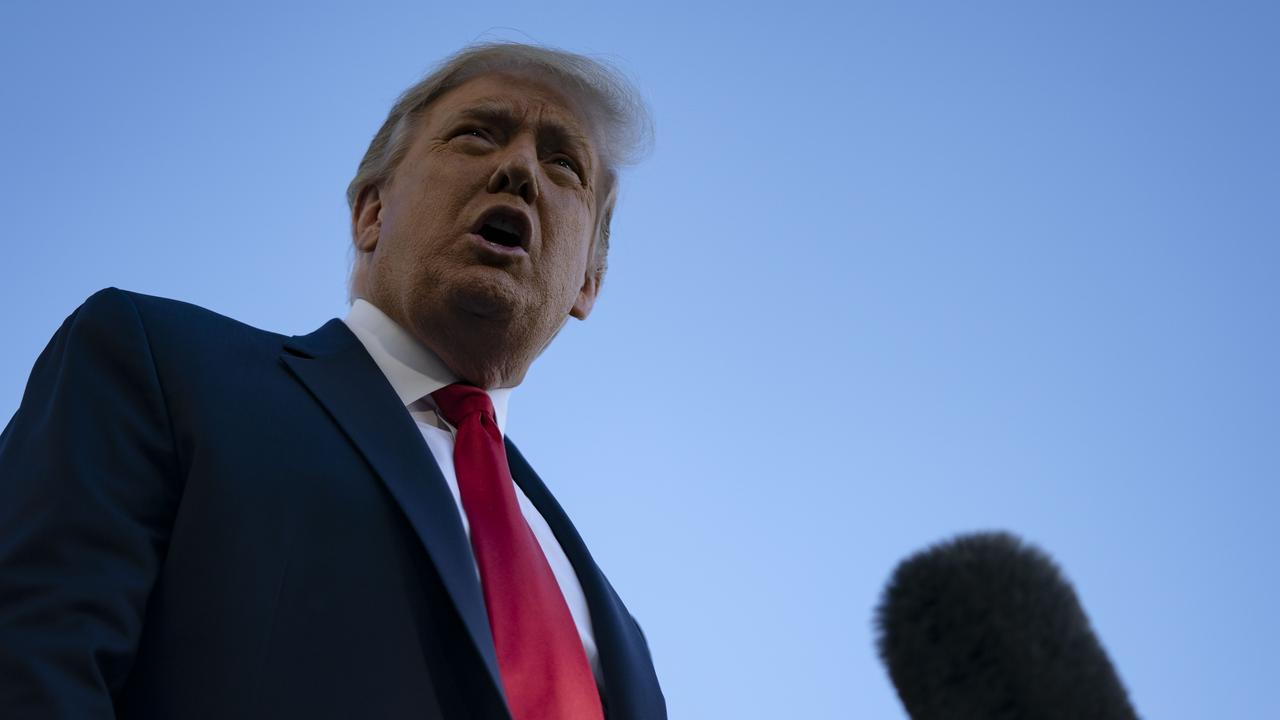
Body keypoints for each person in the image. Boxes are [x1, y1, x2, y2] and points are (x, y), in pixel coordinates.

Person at [0, 42, 665, 719]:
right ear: (372, 213)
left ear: (588, 281)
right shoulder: (160, 368)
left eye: (562, 163)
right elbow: (31, 664)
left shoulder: (621, 636)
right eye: (477, 134)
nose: (519, 168)